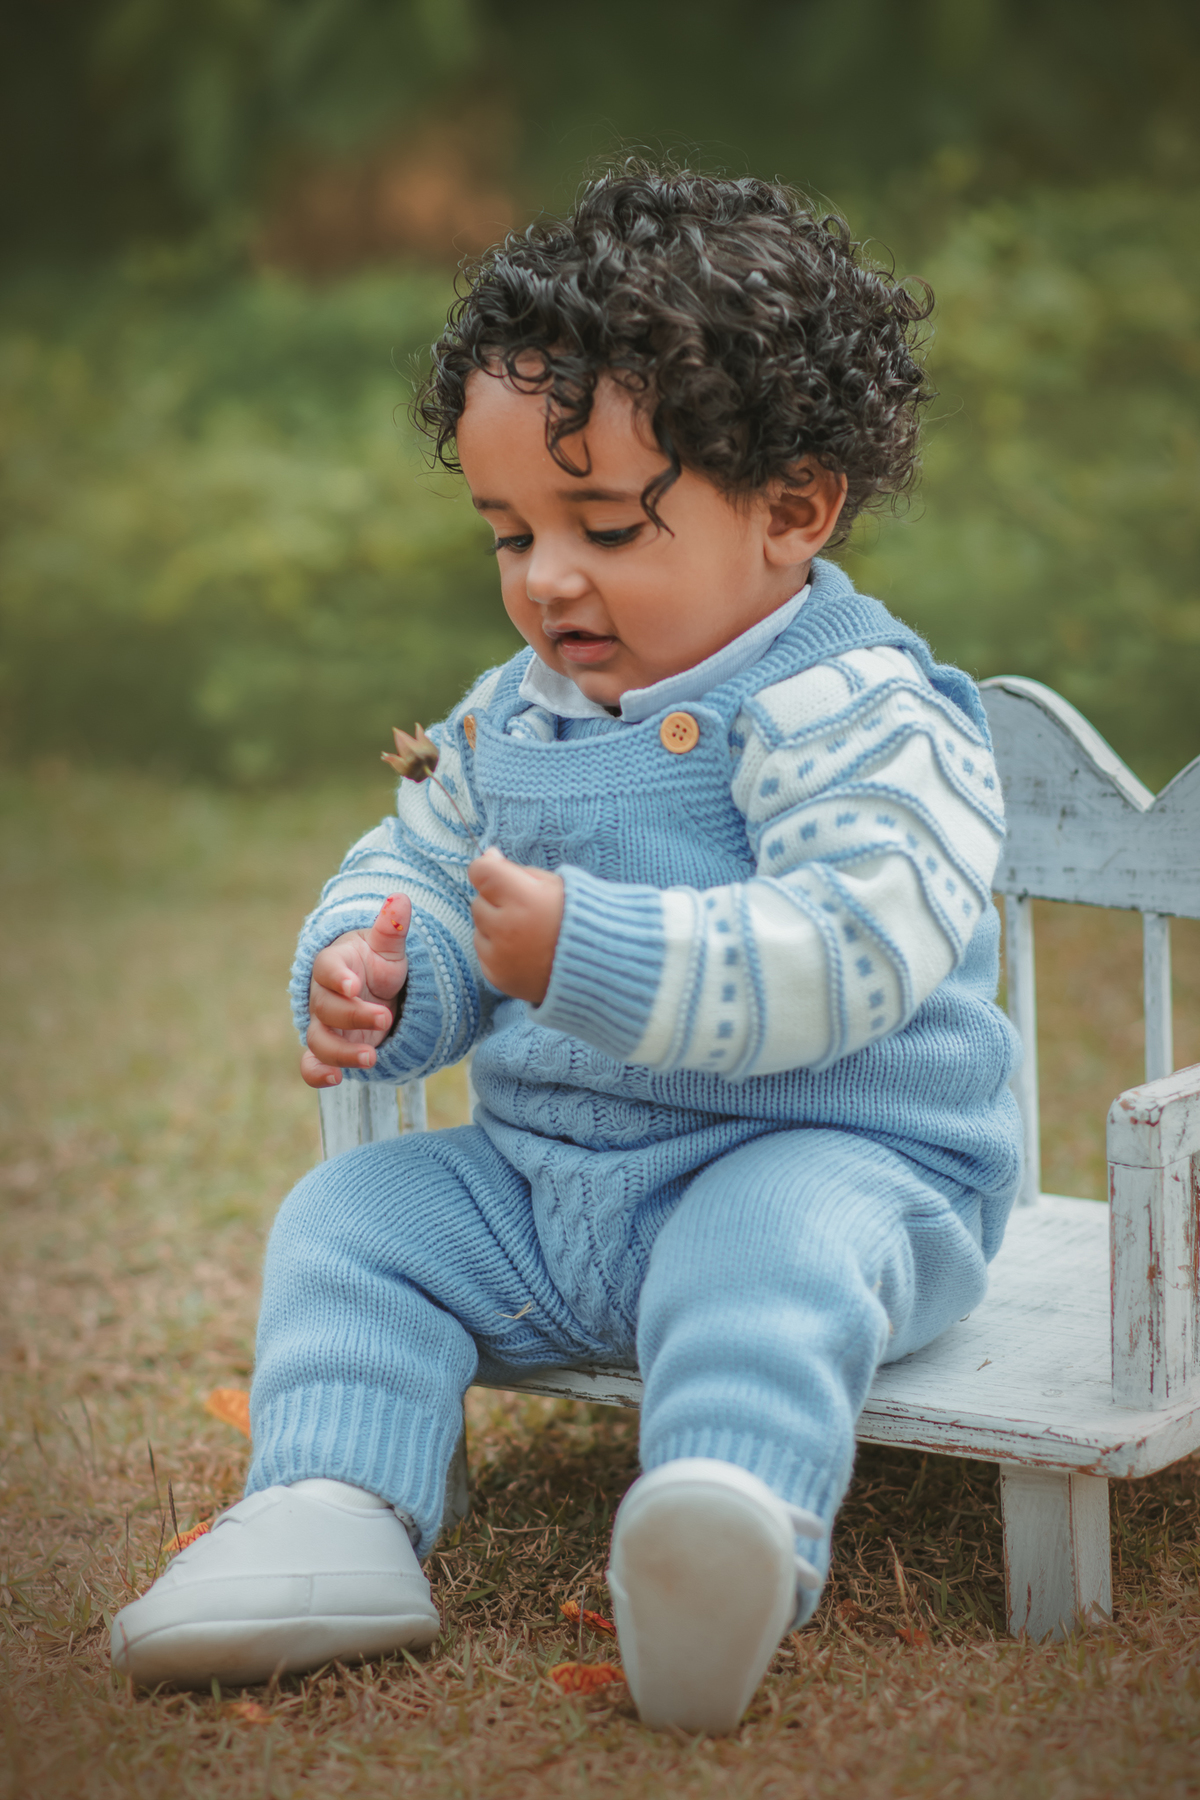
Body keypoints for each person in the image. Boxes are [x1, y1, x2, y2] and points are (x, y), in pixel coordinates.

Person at [111, 163, 1021, 1733]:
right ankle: (337, 1511)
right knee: (356, 1216)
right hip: (557, 1187)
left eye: (602, 523)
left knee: (767, 1259)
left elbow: (854, 945)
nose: (546, 578)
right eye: (510, 530)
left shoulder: (858, 710)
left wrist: (584, 951)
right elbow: (413, 868)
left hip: (829, 1157)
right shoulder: (506, 715)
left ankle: (724, 1527)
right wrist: (380, 970)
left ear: (794, 511)